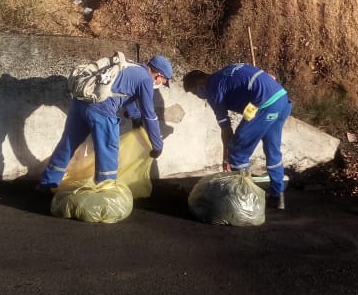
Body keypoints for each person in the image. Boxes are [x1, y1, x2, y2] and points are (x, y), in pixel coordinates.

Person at [37, 55, 172, 191]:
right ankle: (105, 194)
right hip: (101, 110)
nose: (162, 84)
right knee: (108, 152)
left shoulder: (130, 67)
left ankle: (47, 182)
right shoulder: (145, 79)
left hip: (80, 103)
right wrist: (157, 145)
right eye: (164, 81)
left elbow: (123, 93)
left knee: (67, 144)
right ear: (159, 75)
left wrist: (134, 116)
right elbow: (149, 116)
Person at [183, 63, 292, 209]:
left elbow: (226, 130)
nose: (198, 96)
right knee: (273, 150)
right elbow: (267, 77)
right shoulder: (228, 71)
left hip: (263, 104)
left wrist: (227, 157)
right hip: (281, 99)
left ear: (200, 83)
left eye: (195, 92)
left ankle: (244, 200)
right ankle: (278, 197)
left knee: (237, 150)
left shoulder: (214, 91)